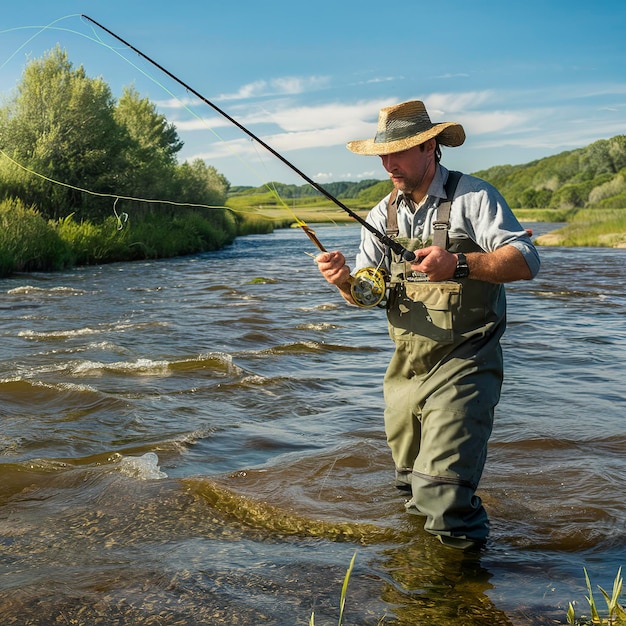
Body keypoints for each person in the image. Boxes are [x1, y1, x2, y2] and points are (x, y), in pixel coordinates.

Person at [316, 100, 540, 550]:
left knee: (442, 496)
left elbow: (526, 260)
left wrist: (457, 263)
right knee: (410, 491)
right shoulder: (381, 214)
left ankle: (467, 598)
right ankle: (422, 585)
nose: (388, 164)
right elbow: (370, 294)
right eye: (382, 154)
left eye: (398, 152)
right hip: (406, 370)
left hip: (467, 362)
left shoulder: (474, 196)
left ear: (430, 147)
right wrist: (344, 283)